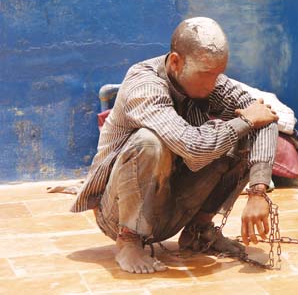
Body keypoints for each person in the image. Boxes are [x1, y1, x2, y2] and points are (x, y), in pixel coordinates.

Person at [71, 17, 280, 274]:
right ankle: (129, 240)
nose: (213, 83)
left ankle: (198, 232)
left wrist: (258, 190)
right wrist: (245, 120)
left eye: (218, 74)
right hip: (116, 213)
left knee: (245, 132)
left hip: (171, 206)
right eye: (205, 74)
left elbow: (265, 118)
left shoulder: (210, 80)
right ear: (175, 62)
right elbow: (193, 147)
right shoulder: (144, 85)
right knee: (149, 141)